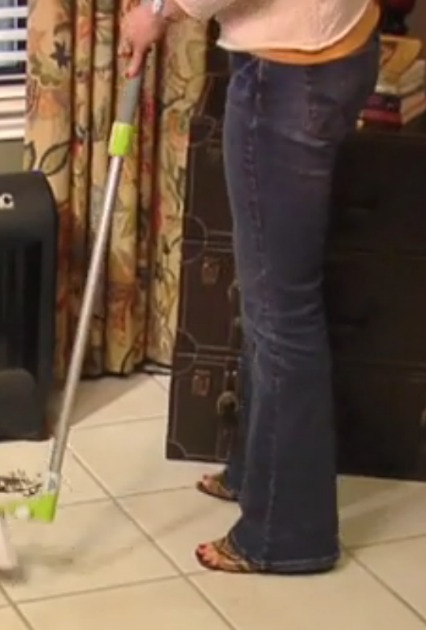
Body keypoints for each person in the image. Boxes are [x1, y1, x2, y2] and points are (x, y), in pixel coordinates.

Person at [121, 0, 381, 574]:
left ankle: (287, 535)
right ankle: (254, 474)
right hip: (334, 46)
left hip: (294, 74)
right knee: (269, 287)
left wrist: (159, 12)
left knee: (282, 311)